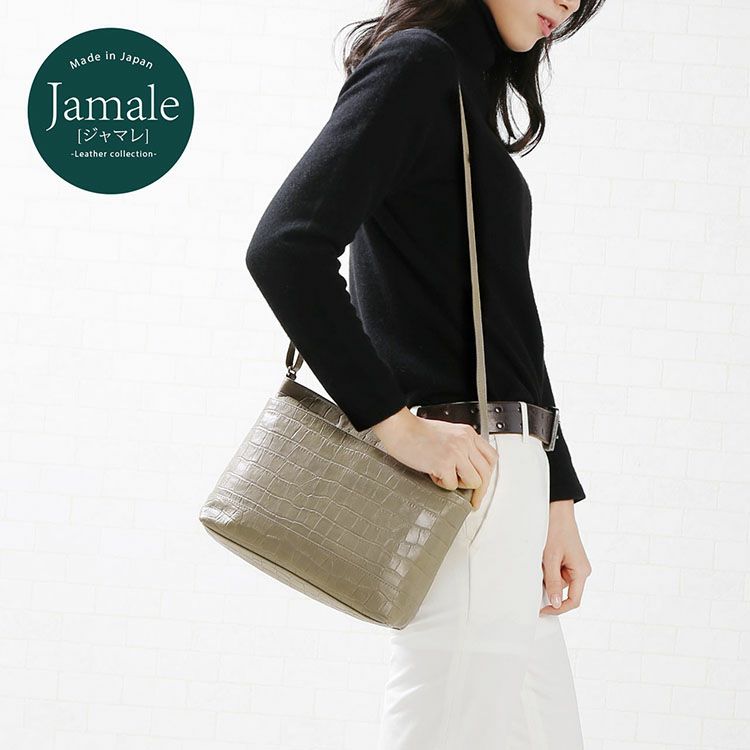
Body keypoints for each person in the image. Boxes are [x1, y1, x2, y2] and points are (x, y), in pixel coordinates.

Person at [245, 0, 603, 746]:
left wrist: (556, 493)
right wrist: (394, 425)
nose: (571, 2)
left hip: (507, 475)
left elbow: (506, 324)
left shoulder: (462, 86)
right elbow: (286, 248)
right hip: (468, 475)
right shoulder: (418, 65)